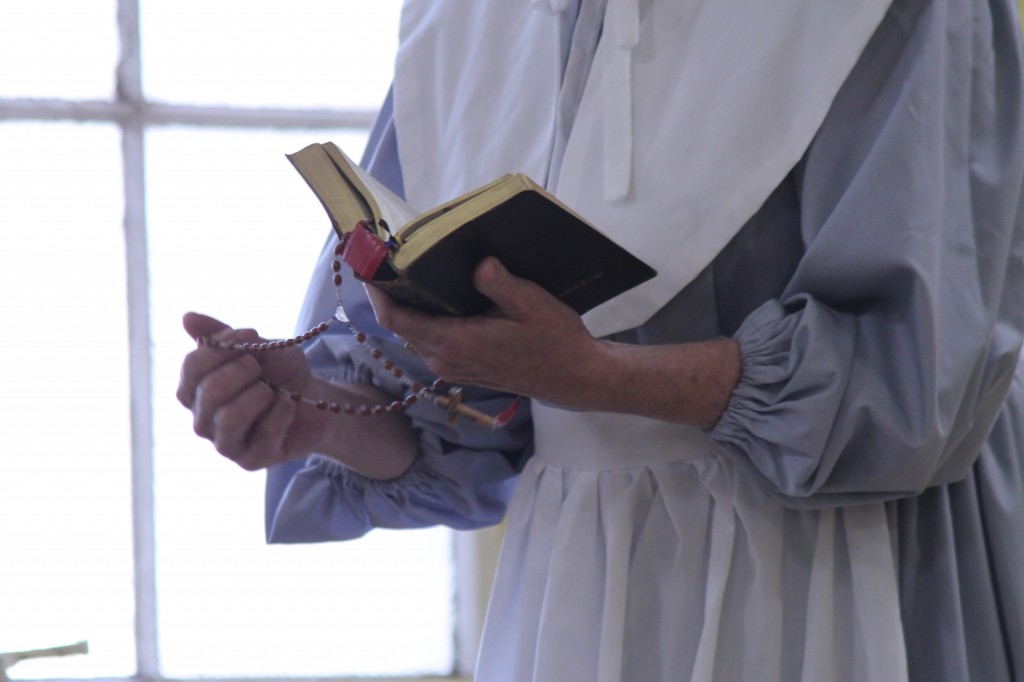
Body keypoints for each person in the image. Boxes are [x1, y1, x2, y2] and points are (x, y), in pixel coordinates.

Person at [177, 0, 1024, 679]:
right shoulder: (462, 19)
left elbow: (919, 392)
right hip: (571, 593)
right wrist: (324, 416)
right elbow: (465, 414)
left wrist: (596, 376)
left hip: (840, 576)